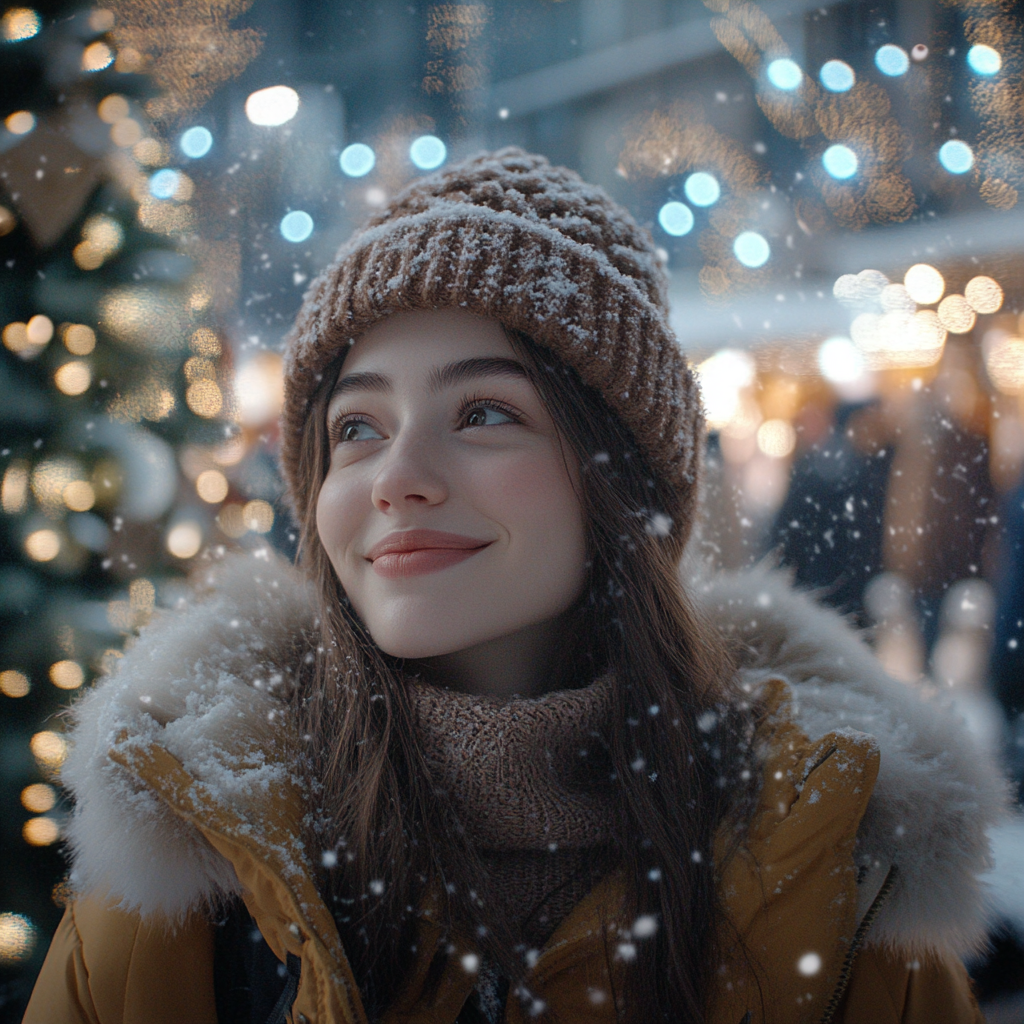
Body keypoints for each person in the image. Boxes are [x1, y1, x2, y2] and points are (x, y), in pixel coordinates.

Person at [26, 150, 1001, 1024]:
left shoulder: (836, 862)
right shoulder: (193, 843)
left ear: (617, 480)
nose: (397, 473)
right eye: (356, 427)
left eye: (483, 410)